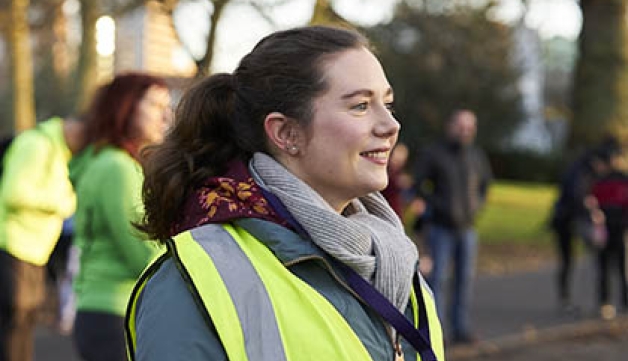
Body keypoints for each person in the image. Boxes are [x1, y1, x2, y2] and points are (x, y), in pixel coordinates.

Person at [126, 26, 445, 361]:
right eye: (361, 106)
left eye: (388, 103)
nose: (390, 125)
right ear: (285, 132)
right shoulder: (192, 283)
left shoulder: (393, 257)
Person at [72, 73, 171, 361]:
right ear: (125, 108)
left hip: (100, 310)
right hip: (115, 311)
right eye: (154, 105)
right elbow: (141, 252)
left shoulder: (100, 159)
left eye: (167, 106)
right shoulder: (117, 168)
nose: (164, 116)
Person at [0, 116, 87, 361]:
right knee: (12, 329)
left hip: (33, 251)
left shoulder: (58, 151)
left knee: (24, 327)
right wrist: (60, 203)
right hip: (14, 247)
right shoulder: (37, 144)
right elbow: (14, 192)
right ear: (75, 128)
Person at [413, 109, 492, 344]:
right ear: (450, 126)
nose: (465, 131)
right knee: (436, 281)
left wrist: (476, 206)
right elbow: (418, 185)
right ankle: (436, 333)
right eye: (460, 126)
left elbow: (485, 185)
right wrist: (436, 205)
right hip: (440, 228)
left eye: (469, 127)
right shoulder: (434, 153)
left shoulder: (476, 156)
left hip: (467, 229)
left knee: (464, 280)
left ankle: (460, 329)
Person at [549, 140, 615, 314]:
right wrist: (591, 209)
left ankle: (572, 299)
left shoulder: (583, 169)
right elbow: (576, 196)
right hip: (568, 221)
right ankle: (567, 299)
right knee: (571, 260)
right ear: (598, 162)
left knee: (572, 260)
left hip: (571, 220)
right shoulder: (582, 172)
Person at [589, 142, 628, 320]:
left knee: (614, 268)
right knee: (611, 268)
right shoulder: (602, 180)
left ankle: (613, 302)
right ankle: (607, 302)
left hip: (615, 228)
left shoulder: (619, 180)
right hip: (607, 229)